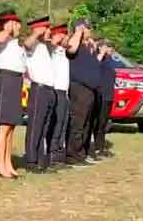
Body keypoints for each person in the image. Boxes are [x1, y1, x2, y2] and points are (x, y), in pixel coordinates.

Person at [46, 24, 84, 168]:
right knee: (55, 125)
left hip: (64, 92)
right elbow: (51, 43)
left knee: (62, 125)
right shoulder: (52, 49)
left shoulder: (63, 51)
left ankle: (58, 154)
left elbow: (72, 47)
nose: (67, 39)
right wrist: (56, 38)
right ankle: (52, 155)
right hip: (56, 90)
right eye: (64, 36)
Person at [0, 11, 25, 179]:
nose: (18, 26)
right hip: (5, 79)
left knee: (12, 126)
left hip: (16, 81)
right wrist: (8, 28)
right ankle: (0, 165)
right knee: (4, 125)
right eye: (15, 22)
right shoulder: (1, 38)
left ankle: (8, 162)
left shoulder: (15, 43)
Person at [23, 17, 56, 173]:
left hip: (49, 90)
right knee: (35, 125)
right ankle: (31, 160)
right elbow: (27, 44)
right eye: (47, 28)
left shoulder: (45, 46)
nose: (49, 31)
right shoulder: (33, 45)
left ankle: (41, 160)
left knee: (44, 126)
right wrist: (37, 33)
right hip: (39, 89)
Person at [66, 19, 101, 167]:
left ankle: (81, 153)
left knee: (86, 123)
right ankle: (72, 155)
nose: (90, 31)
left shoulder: (87, 46)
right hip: (79, 88)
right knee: (78, 123)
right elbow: (71, 49)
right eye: (88, 28)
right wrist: (78, 32)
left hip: (89, 90)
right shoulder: (73, 41)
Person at [94, 39, 117, 158]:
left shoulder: (110, 60)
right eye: (108, 46)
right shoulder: (99, 58)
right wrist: (101, 53)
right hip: (101, 94)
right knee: (99, 122)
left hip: (108, 94)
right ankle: (97, 147)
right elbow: (94, 67)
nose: (111, 49)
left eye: (112, 46)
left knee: (103, 123)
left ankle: (101, 146)